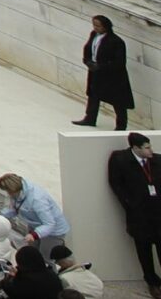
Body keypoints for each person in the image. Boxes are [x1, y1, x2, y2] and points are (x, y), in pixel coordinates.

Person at [104, 131, 158, 292]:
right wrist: (130, 204)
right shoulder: (120, 160)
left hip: (158, 214)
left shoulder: (157, 160)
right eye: (147, 148)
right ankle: (152, 282)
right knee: (144, 251)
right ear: (136, 148)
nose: (151, 151)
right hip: (139, 216)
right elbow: (115, 184)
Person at [0, 172, 73, 259]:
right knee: (33, 253)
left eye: (8, 191)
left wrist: (34, 235)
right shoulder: (17, 194)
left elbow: (49, 223)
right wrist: (2, 216)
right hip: (35, 226)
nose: (8, 194)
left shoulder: (37, 199)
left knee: (46, 257)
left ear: (13, 190)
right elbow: (15, 209)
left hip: (53, 231)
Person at [81, 15, 135, 130]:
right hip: (96, 72)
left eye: (98, 26)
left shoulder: (116, 41)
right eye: (94, 25)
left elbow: (119, 62)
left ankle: (121, 126)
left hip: (113, 77)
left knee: (118, 102)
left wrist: (101, 66)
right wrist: (88, 62)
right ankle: (90, 118)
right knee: (93, 95)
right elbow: (88, 49)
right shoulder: (94, 35)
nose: (95, 28)